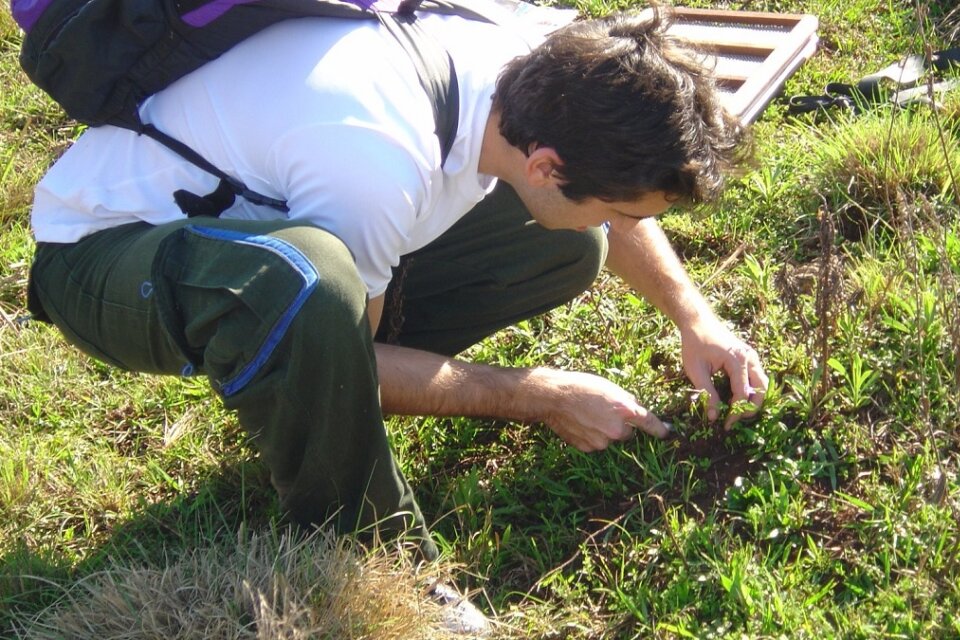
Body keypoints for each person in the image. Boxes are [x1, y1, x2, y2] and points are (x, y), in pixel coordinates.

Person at [26, 4, 767, 632]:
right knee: (307, 287)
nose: (618, 222)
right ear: (546, 166)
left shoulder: (529, 53)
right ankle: (377, 558)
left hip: (284, 220)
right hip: (105, 254)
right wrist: (534, 395)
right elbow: (355, 358)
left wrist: (692, 316)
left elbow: (609, 194)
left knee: (566, 250)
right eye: (615, 206)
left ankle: (304, 417)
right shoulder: (374, 163)